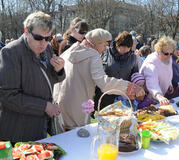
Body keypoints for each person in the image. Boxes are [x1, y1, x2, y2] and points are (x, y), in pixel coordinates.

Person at [53, 28, 145, 129]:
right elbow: (104, 83)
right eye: (105, 45)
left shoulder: (70, 50)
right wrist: (130, 87)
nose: (106, 49)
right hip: (79, 107)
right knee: (78, 139)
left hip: (61, 104)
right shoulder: (94, 55)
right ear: (97, 43)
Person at [0, 11, 65, 143]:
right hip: (17, 129)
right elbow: (8, 96)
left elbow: (48, 80)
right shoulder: (10, 53)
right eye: (38, 37)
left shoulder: (46, 49)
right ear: (26, 31)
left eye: (47, 38)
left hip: (40, 125)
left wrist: (59, 71)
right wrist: (45, 107)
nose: (43, 43)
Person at [94, 31, 138, 110]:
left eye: (128, 47)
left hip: (122, 96)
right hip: (105, 94)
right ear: (118, 44)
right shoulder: (105, 52)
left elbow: (134, 75)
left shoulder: (133, 58)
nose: (126, 49)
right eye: (123, 46)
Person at [140, 36, 175, 105]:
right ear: (158, 51)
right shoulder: (151, 62)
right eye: (166, 54)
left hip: (159, 97)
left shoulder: (168, 59)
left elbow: (167, 73)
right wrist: (158, 95)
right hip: (147, 97)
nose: (169, 56)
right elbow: (151, 81)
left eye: (171, 54)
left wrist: (169, 84)